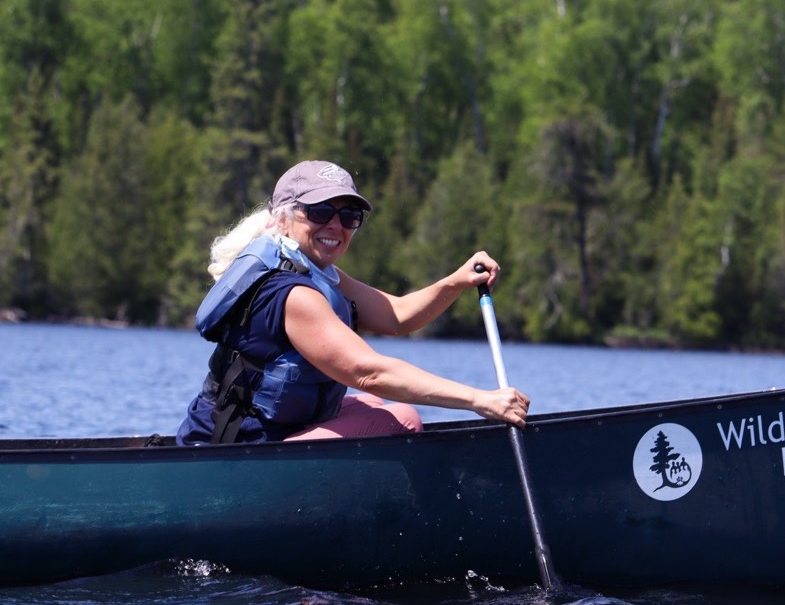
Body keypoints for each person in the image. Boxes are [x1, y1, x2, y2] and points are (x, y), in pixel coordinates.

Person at [176, 160, 529, 445]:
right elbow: (369, 372)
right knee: (401, 418)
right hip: (231, 452)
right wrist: (480, 400)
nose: (335, 225)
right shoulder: (293, 294)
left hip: (259, 438)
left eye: (349, 217)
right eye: (319, 212)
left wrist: (455, 282)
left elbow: (397, 317)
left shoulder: (319, 273)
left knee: (371, 406)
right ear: (283, 218)